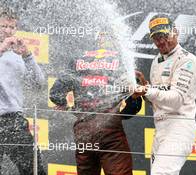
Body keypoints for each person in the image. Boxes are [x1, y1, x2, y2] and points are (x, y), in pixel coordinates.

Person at [49, 32, 142, 175]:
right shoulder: (121, 61)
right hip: (110, 131)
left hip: (83, 131)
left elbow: (55, 94)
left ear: (97, 41)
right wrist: (122, 110)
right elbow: (131, 110)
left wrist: (71, 108)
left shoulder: (78, 60)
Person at [134, 14, 196, 175]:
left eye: (165, 35)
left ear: (175, 32)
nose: (161, 41)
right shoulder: (156, 61)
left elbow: (176, 100)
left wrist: (148, 91)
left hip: (179, 127)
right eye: (157, 37)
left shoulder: (187, 60)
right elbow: (158, 100)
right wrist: (145, 87)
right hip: (160, 130)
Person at [0, 6, 46, 175]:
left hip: (13, 121)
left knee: (35, 170)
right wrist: (1, 49)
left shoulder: (18, 55)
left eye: (11, 27)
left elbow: (39, 84)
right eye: (3, 26)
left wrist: (27, 56)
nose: (7, 30)